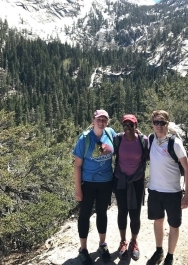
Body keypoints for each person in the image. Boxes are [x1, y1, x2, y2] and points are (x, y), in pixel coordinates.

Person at [146, 110, 188, 265]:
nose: (159, 126)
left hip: (172, 192)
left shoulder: (175, 143)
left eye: (162, 122)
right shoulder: (151, 139)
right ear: (152, 124)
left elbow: (187, 169)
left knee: (173, 224)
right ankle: (159, 250)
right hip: (154, 190)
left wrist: (187, 195)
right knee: (158, 221)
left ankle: (170, 256)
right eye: (156, 122)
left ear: (167, 123)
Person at [73, 109, 116, 265]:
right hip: (88, 183)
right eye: (99, 119)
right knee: (84, 215)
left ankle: (102, 244)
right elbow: (77, 166)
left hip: (106, 182)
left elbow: (124, 143)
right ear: (93, 120)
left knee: (102, 213)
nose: (101, 122)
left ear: (108, 121)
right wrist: (78, 188)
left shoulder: (110, 134)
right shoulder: (84, 139)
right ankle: (83, 249)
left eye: (104, 119)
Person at [113, 114, 148, 261]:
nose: (127, 128)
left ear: (136, 126)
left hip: (137, 181)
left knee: (135, 213)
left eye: (131, 125)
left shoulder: (143, 140)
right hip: (120, 180)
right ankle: (123, 241)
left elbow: (149, 155)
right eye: (125, 125)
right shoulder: (118, 139)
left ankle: (134, 241)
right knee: (122, 211)